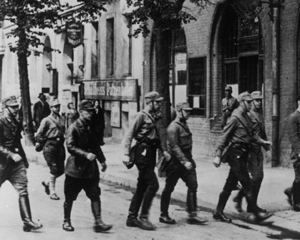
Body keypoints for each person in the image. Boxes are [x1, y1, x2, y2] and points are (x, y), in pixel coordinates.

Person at [213, 92, 272, 223]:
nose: (251, 104)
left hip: (243, 154)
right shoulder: (235, 117)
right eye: (249, 102)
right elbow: (224, 136)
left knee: (229, 185)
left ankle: (218, 212)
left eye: (252, 102)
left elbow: (252, 135)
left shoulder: (245, 116)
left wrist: (263, 142)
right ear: (242, 103)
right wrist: (218, 155)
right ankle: (256, 214)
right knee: (247, 183)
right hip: (236, 154)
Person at [122, 91, 170, 231]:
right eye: (158, 102)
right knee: (153, 184)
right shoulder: (141, 115)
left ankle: (131, 218)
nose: (160, 104)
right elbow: (129, 134)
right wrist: (126, 153)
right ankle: (143, 217)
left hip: (150, 153)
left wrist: (164, 151)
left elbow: (157, 137)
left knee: (142, 185)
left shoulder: (155, 116)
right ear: (150, 102)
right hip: (141, 153)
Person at [62, 100, 111, 232]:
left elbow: (95, 145)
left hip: (90, 169)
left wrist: (102, 161)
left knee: (95, 194)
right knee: (70, 196)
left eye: (92, 111)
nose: (91, 114)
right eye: (88, 111)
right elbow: (70, 147)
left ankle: (98, 222)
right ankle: (66, 221)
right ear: (81, 112)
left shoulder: (91, 126)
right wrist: (85, 154)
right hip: (75, 169)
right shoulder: (73, 128)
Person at [159, 102, 207, 225]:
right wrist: (185, 161)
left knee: (193, 185)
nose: (189, 113)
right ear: (179, 111)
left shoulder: (184, 125)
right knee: (169, 188)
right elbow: (174, 146)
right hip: (175, 163)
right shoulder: (173, 127)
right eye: (186, 111)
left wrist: (188, 160)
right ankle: (163, 214)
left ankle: (192, 215)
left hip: (186, 159)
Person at [0, 96, 43, 232]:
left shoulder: (16, 123)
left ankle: (27, 221)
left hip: (16, 165)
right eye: (12, 107)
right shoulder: (0, 123)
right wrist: (11, 154)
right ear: (4, 108)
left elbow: (18, 142)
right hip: (1, 164)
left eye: (16, 107)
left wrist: (24, 159)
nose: (15, 110)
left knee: (23, 190)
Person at [233, 90, 267, 214]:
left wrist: (266, 145)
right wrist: (263, 142)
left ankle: (243, 198)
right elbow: (251, 134)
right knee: (256, 177)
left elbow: (262, 132)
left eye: (260, 100)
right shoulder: (248, 116)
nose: (259, 103)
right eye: (256, 100)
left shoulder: (259, 114)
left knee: (259, 177)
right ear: (251, 101)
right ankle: (250, 204)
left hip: (258, 149)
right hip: (251, 150)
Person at [35, 98, 66, 200]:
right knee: (54, 169)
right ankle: (52, 193)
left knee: (61, 170)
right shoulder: (46, 120)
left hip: (60, 146)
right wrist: (44, 141)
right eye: (55, 107)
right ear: (51, 108)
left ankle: (47, 182)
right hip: (50, 146)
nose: (57, 108)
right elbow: (38, 135)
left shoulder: (62, 119)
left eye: (58, 106)